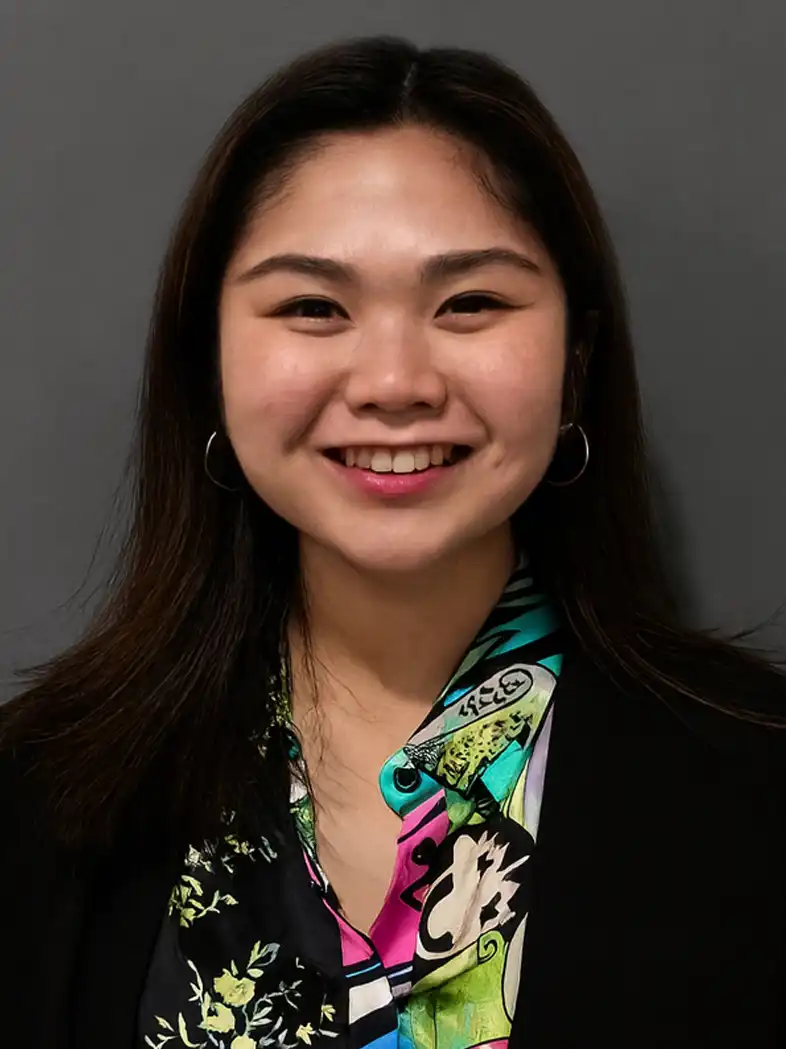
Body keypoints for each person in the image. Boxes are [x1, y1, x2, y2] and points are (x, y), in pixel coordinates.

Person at [1, 34, 784, 1049]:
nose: (393, 383)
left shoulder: (757, 784)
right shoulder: (38, 792)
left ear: (576, 362)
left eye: (470, 303)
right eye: (313, 306)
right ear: (211, 364)